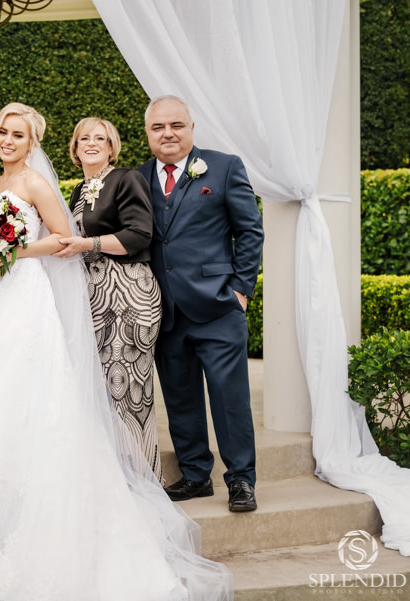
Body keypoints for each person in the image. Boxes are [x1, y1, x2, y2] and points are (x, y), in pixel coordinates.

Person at [0, 103, 233, 600]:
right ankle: (0, 497)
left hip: (26, 294)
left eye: (18, 134)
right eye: (3, 132)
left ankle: (36, 503)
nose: (8, 140)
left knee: (32, 392)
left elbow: (65, 239)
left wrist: (12, 249)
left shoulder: (37, 183)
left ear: (32, 141)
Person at [136, 95, 264, 513]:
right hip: (165, 311)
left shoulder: (224, 167)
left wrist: (241, 290)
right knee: (180, 397)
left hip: (218, 307)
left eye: (176, 125)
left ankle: (241, 479)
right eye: (158, 127)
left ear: (191, 128)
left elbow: (250, 231)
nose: (167, 133)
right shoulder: (137, 178)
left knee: (230, 399)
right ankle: (195, 475)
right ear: (148, 133)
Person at [55, 117, 163, 482]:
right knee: (103, 389)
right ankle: (113, 477)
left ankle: (142, 479)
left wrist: (88, 244)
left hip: (128, 292)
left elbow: (140, 234)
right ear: (74, 148)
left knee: (130, 389)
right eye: (83, 138)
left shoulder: (126, 179)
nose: (91, 143)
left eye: (99, 138)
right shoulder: (79, 190)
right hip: (96, 296)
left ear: (111, 147)